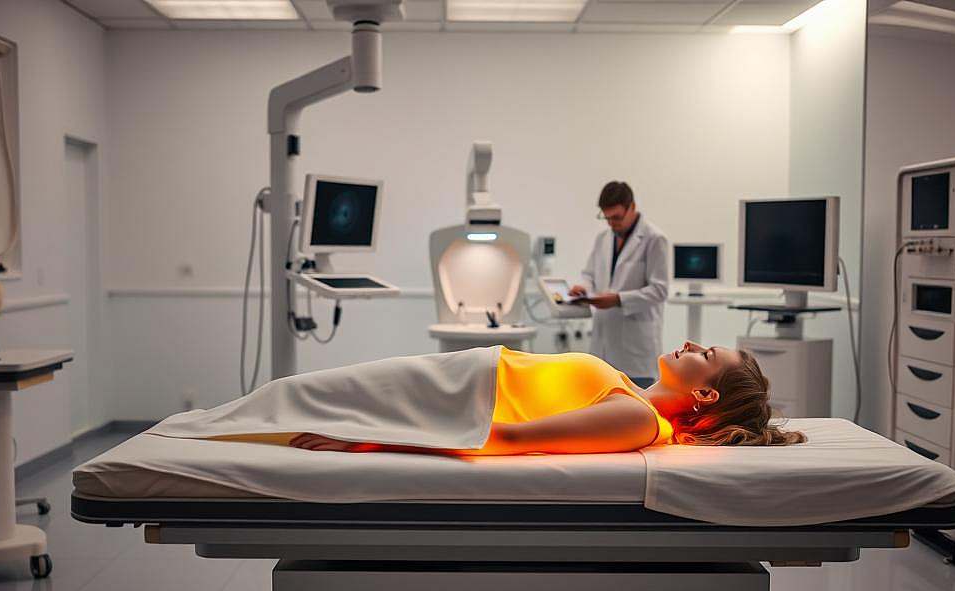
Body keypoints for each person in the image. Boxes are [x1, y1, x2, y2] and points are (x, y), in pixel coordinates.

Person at [287, 341, 806, 455]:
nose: (690, 344)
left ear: (704, 392)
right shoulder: (630, 391)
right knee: (288, 400)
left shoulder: (637, 419)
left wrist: (372, 441)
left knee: (289, 405)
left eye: (706, 353)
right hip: (446, 378)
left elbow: (511, 439)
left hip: (444, 396)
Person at [570, 181, 670, 389]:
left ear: (632, 207)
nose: (611, 224)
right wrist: (584, 288)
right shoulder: (603, 238)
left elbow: (659, 290)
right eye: (607, 218)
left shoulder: (654, 239)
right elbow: (589, 274)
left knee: (635, 405)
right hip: (603, 345)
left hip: (635, 351)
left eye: (616, 217)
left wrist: (618, 300)